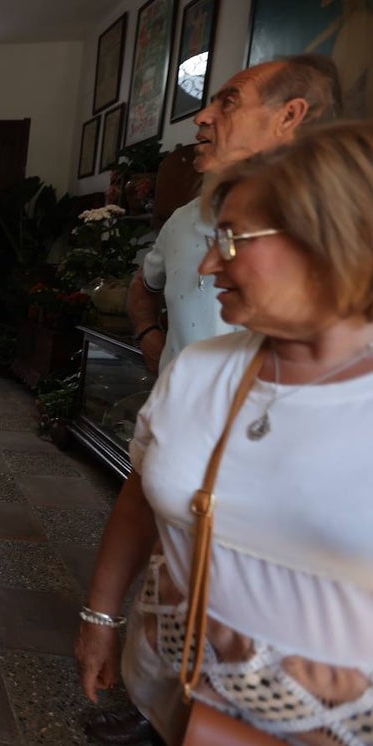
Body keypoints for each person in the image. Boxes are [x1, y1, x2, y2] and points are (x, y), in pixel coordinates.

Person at [77, 121, 373, 744]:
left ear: (332, 242)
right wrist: (101, 617)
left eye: (234, 241)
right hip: (171, 693)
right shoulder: (202, 368)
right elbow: (140, 493)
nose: (210, 264)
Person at [127, 54, 341, 375]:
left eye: (229, 103)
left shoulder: (341, 231)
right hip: (184, 416)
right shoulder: (183, 220)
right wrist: (148, 334)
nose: (201, 117)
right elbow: (144, 286)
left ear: (289, 116)